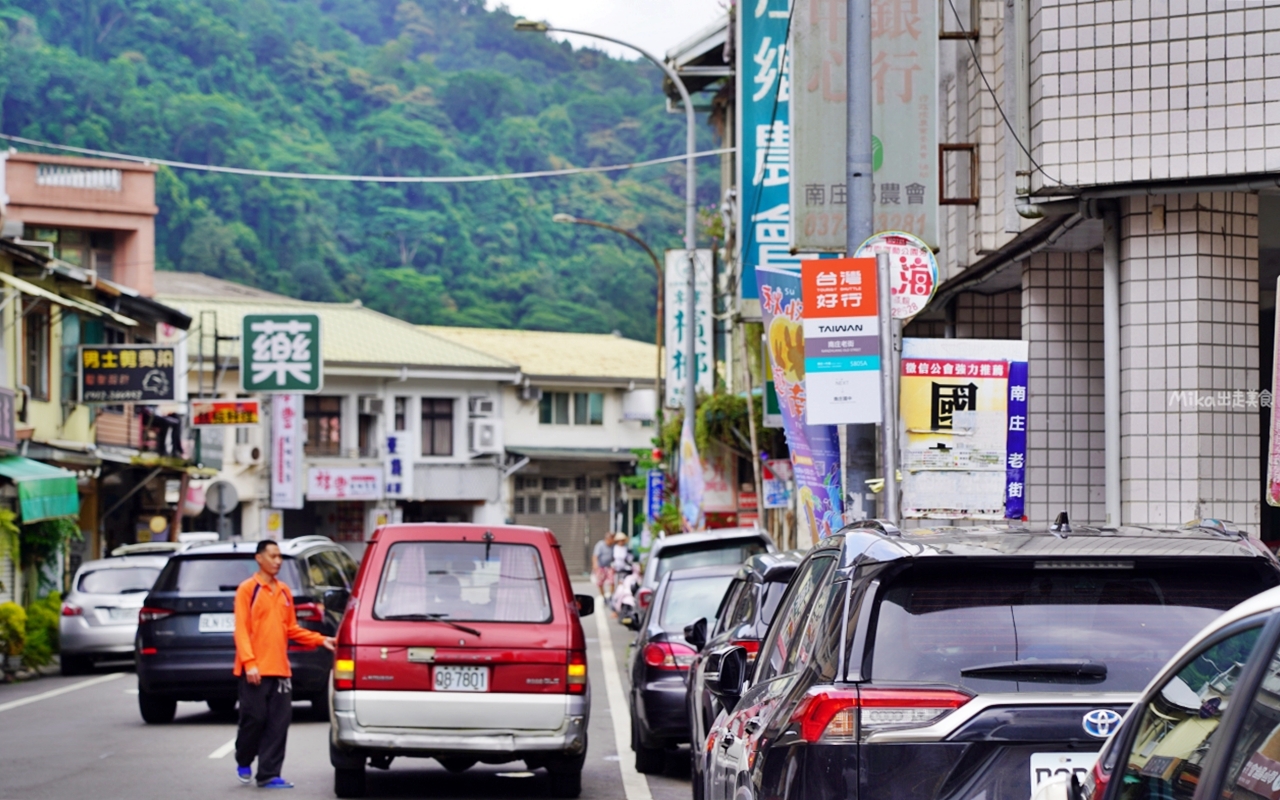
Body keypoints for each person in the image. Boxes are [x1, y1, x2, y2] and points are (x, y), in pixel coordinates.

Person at [233, 540, 336, 789]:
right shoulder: (248, 589)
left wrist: (322, 640)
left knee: (278, 724)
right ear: (259, 558)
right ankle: (244, 757)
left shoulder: (283, 591)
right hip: (254, 669)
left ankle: (268, 773)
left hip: (280, 668)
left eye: (280, 557)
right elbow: (241, 630)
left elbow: (291, 628)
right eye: (273, 556)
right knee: (254, 719)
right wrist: (250, 663)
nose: (278, 561)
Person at [591, 534, 613, 598]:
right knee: (600, 582)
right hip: (601, 566)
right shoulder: (600, 545)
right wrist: (595, 564)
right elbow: (595, 556)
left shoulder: (612, 546)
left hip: (609, 566)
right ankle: (603, 596)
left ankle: (610, 596)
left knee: (612, 581)